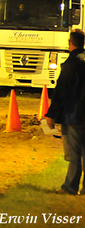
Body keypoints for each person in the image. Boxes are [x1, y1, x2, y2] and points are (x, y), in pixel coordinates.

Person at [45, 29, 85, 195]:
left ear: (70, 43)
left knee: (75, 152)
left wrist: (51, 113)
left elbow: (61, 90)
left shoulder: (70, 64)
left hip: (74, 114)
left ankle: (70, 187)